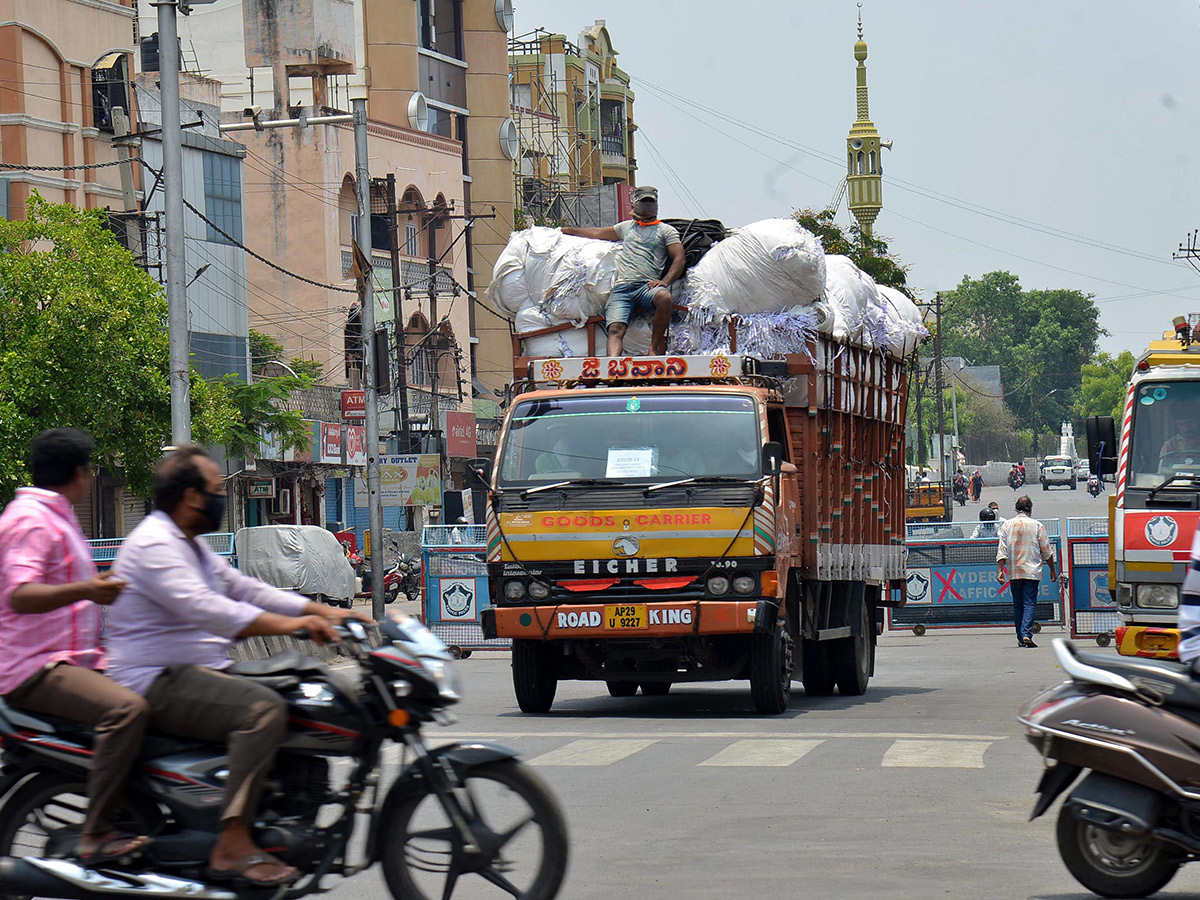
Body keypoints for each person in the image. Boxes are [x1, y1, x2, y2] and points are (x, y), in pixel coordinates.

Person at [108, 446, 369, 887]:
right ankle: (231, 842)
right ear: (191, 496)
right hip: (156, 678)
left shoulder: (188, 543)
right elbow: (211, 610)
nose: (219, 499)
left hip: (193, 669)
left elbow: (244, 588)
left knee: (294, 689)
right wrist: (297, 625)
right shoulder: (155, 544)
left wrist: (325, 612)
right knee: (263, 710)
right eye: (214, 491)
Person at [0, 428, 152, 864]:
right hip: (36, 669)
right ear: (79, 474)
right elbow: (20, 593)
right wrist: (87, 589)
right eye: (91, 471)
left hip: (75, 660)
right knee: (127, 711)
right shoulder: (29, 519)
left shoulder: (58, 515)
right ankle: (98, 830)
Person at [563, 186, 685, 356]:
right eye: (643, 202)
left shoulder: (665, 230)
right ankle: (613, 366)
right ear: (635, 204)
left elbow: (679, 258)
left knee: (664, 297)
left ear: (657, 206)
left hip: (646, 287)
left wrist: (665, 282)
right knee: (615, 329)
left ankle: (653, 348)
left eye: (650, 202)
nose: (647, 206)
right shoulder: (626, 227)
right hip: (622, 288)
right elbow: (598, 232)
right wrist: (569, 231)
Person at [996, 495, 1060, 649]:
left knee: (1018, 604)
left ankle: (1021, 636)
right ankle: (1026, 634)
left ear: (1016, 509)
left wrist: (1000, 570)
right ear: (1030, 510)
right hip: (1031, 571)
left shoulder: (1006, 525)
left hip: (1014, 571)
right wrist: (1052, 570)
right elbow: (1047, 551)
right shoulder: (1037, 525)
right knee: (1029, 603)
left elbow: (1002, 550)